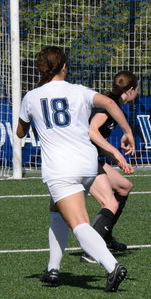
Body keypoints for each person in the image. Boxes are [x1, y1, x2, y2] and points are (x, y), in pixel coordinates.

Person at [16, 46, 134, 292]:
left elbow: (20, 132)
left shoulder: (31, 97)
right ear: (63, 67)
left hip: (61, 168)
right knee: (56, 209)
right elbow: (110, 104)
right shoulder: (79, 91)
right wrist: (127, 132)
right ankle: (53, 268)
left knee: (79, 223)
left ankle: (112, 267)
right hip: (88, 164)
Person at [48, 71, 138, 268]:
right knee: (110, 202)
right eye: (137, 89)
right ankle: (92, 252)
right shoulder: (106, 107)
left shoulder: (113, 105)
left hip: (88, 155)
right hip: (81, 158)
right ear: (131, 90)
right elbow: (91, 132)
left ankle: (105, 236)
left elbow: (96, 142)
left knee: (124, 186)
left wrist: (117, 159)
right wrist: (117, 153)